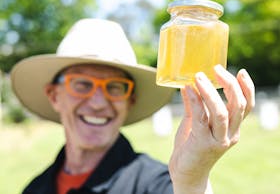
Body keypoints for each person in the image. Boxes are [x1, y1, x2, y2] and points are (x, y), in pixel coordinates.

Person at [11, 18, 255, 194]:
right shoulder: (35, 189)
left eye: (115, 87)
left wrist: (192, 182)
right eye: (82, 84)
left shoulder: (158, 183)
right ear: (54, 96)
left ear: (130, 101)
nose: (98, 103)